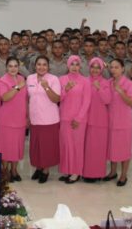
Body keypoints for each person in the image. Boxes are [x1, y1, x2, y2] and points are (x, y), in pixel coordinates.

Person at [27, 56, 61, 184]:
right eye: (39, 64)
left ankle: (46, 170)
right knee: (36, 146)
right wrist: (27, 116)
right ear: (35, 66)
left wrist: (46, 87)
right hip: (35, 118)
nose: (41, 67)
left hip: (49, 119)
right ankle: (38, 168)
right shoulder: (30, 78)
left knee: (46, 147)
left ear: (48, 67)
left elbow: (56, 99)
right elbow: (28, 98)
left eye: (44, 64)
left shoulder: (53, 79)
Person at [58, 55, 91, 184]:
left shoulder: (85, 81)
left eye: (77, 64)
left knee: (77, 146)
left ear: (80, 66)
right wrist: (66, 89)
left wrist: (79, 118)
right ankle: (67, 170)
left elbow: (86, 101)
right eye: (72, 64)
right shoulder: (62, 79)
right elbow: (59, 98)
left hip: (79, 119)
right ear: (68, 65)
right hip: (64, 117)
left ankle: (76, 172)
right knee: (66, 145)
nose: (74, 67)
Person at [104, 59, 132, 187]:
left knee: (124, 149)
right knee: (112, 148)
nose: (113, 70)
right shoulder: (108, 82)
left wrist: (121, 91)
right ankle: (112, 172)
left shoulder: (128, 83)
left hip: (123, 121)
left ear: (123, 69)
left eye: (116, 67)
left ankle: (123, 175)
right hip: (110, 120)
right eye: (111, 67)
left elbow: (131, 103)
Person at [0, 56, 28, 182]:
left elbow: (26, 99)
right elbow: (5, 97)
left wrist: (27, 116)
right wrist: (17, 87)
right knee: (6, 146)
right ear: (6, 67)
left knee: (17, 145)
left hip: (20, 118)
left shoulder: (22, 79)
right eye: (10, 66)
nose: (13, 68)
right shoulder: (2, 80)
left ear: (18, 67)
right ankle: (5, 170)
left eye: (15, 66)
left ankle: (14, 170)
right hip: (7, 119)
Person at [82, 57, 111, 182]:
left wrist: (99, 88)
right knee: (87, 148)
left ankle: (97, 173)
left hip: (100, 120)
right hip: (85, 119)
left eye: (98, 67)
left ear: (102, 69)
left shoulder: (105, 82)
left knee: (98, 148)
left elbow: (107, 100)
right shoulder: (84, 81)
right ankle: (86, 173)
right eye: (93, 67)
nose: (95, 70)